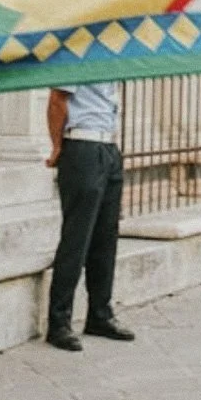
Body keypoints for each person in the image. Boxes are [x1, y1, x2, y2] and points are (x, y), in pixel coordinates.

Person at [43, 83, 135, 351]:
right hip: (82, 144)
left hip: (108, 145)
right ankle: (59, 322)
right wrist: (57, 147)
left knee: (106, 238)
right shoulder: (76, 52)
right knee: (76, 238)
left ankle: (100, 313)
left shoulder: (107, 57)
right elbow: (57, 101)